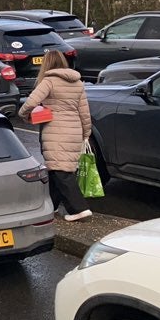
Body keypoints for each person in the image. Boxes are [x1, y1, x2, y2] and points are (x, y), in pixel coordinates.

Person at [18, 51, 92, 222]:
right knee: (56, 169)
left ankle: (79, 208)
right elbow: (84, 112)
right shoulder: (77, 83)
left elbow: (30, 102)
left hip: (55, 130)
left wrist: (24, 114)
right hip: (74, 130)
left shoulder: (49, 81)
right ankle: (50, 205)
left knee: (61, 171)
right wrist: (86, 133)